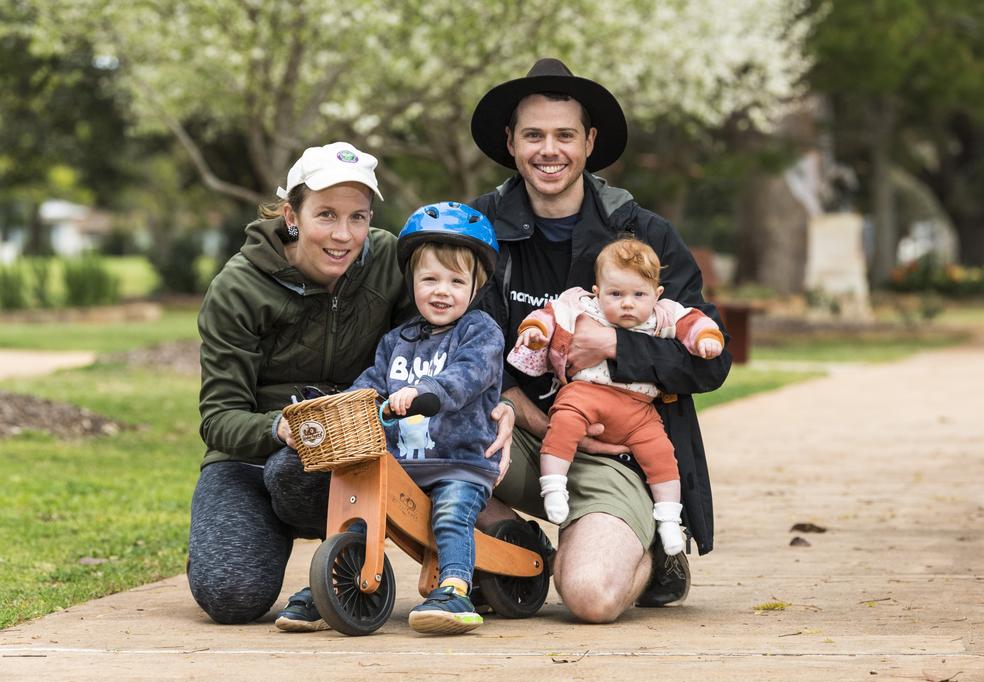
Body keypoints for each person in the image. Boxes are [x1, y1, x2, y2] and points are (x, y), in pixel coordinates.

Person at [187, 141, 515, 630]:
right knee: (231, 596)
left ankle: (432, 561)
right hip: (256, 457)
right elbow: (217, 418)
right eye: (326, 215)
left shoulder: (390, 259)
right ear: (291, 215)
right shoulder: (238, 289)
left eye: (357, 217)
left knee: (297, 474)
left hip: (351, 450)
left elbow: (451, 335)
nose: (343, 235)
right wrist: (285, 429)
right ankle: (252, 531)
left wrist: (499, 400)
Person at [469, 58, 732, 623]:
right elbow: (451, 341)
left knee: (587, 597)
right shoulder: (476, 230)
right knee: (415, 448)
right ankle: (516, 545)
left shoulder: (643, 236)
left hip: (616, 451)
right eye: (534, 134)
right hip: (512, 440)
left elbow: (711, 363)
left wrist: (614, 345)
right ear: (511, 142)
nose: (549, 150)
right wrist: (530, 415)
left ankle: (651, 551)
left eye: (565, 135)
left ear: (589, 142)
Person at [508, 238, 724, 557]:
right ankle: (554, 486)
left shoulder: (662, 315)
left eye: (639, 295)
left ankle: (667, 517)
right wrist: (534, 330)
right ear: (597, 292)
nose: (627, 303)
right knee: (563, 423)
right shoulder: (584, 306)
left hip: (638, 410)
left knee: (661, 453)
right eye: (616, 294)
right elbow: (550, 314)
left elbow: (694, 323)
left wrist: (706, 339)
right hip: (584, 394)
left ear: (656, 294)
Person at [346, 202, 505, 634]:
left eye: (456, 281)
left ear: (477, 285)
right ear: (411, 282)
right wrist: (342, 405)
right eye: (429, 279)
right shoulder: (397, 339)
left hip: (460, 462)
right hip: (406, 466)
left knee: (451, 514)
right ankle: (338, 581)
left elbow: (467, 376)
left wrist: (425, 392)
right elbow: (371, 383)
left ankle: (455, 588)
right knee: (363, 510)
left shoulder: (480, 331)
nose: (441, 291)